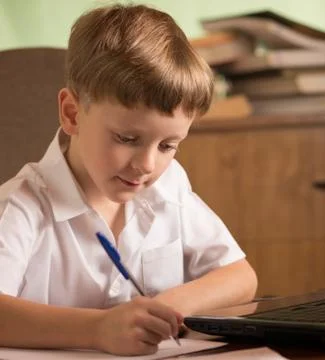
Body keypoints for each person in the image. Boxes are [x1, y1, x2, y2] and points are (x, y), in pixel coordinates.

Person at [0, 3, 257, 356]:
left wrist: (165, 308)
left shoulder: (168, 187)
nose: (147, 165)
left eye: (168, 145)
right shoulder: (21, 206)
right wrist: (98, 330)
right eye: (126, 139)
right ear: (72, 114)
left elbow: (240, 276)